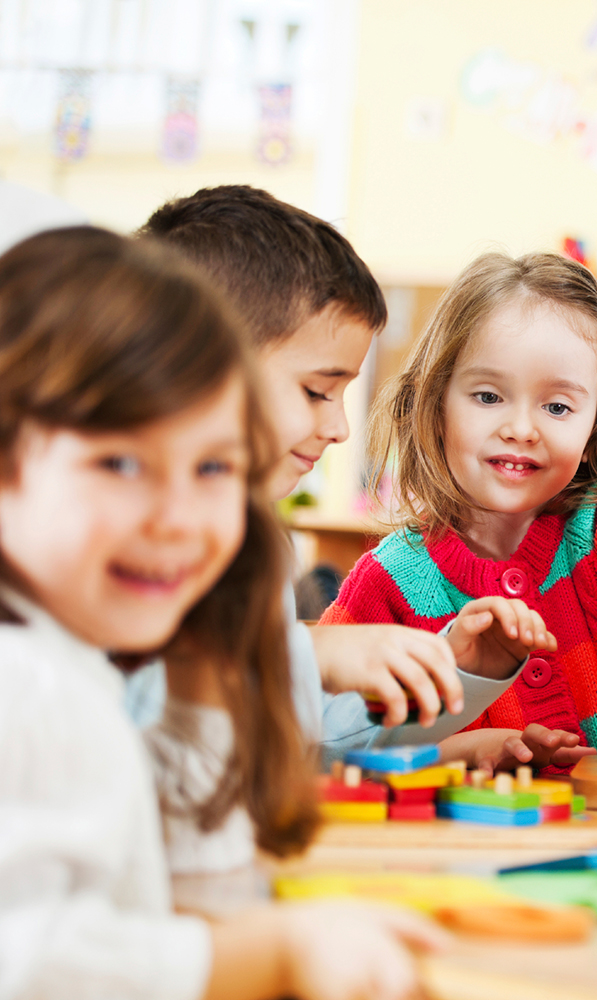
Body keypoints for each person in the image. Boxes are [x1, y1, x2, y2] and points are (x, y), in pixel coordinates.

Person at [0, 226, 445, 1000]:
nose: (179, 518)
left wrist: (206, 681)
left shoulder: (74, 662)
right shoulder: (27, 683)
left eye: (214, 466)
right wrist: (269, 954)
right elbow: (27, 961)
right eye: (121, 463)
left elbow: (186, 881)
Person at [132, 186, 578, 784]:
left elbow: (304, 737)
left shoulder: (251, 541)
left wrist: (456, 670)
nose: (340, 426)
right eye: (316, 392)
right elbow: (118, 696)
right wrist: (311, 654)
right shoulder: (112, 526)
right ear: (194, 361)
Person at [321, 251, 597, 757]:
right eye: (488, 397)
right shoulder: (389, 580)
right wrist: (464, 750)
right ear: (436, 400)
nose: (521, 429)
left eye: (557, 407)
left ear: (595, 423)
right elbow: (326, 735)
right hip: (457, 837)